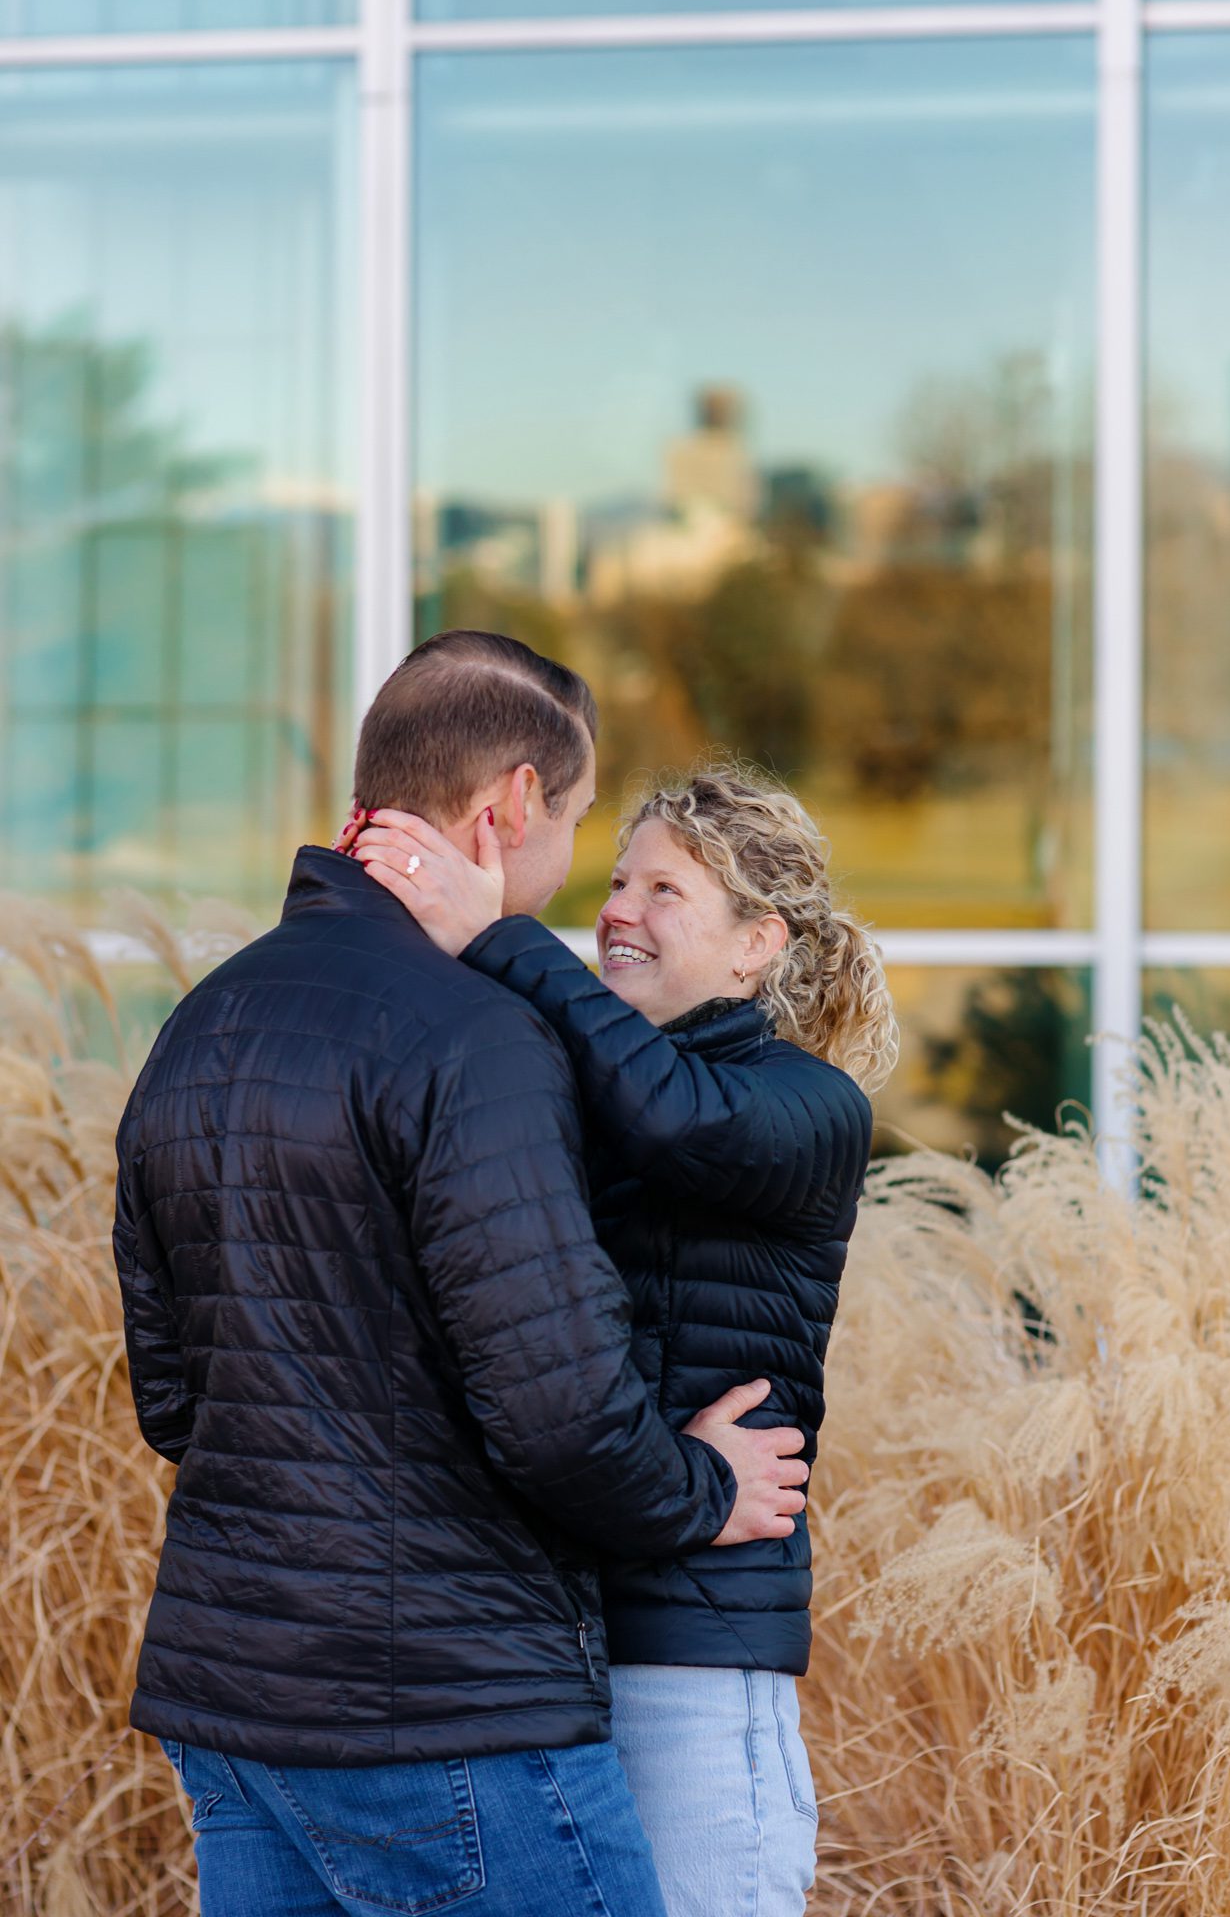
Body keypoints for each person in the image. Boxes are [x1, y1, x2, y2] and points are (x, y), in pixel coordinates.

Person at [112, 631, 812, 1917]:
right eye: (578, 829)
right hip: (449, 1708)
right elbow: (558, 1410)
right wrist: (701, 1487)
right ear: (509, 808)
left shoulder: (201, 1023)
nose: (575, 883)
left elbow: (172, 1395)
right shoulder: (479, 1036)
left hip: (234, 1709)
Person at [346, 756, 897, 1917]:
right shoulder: (585, 1080)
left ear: (758, 944)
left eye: (663, 890)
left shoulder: (807, 1106)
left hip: (696, 1653)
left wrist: (499, 933)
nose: (615, 909)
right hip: (561, 1643)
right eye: (613, 879)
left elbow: (677, 1116)